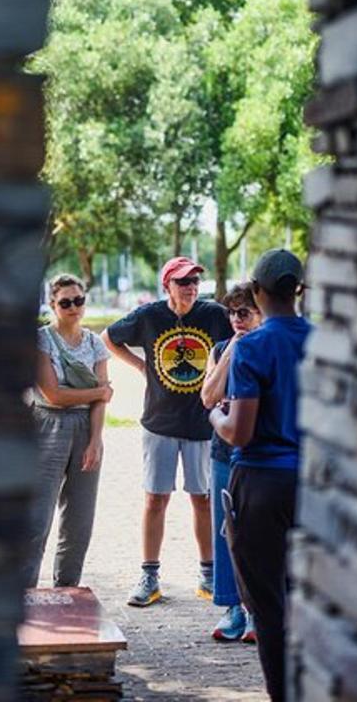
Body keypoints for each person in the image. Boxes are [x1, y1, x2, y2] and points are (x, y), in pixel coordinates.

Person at [103, 256, 234, 606]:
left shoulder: (214, 315)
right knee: (155, 499)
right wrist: (142, 366)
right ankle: (149, 575)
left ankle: (208, 573)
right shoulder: (149, 316)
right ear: (167, 286)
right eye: (182, 282)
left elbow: (242, 338)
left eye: (194, 281)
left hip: (201, 423)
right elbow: (108, 337)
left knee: (203, 499)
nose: (190, 287)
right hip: (159, 422)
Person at [210, 249, 311, 702]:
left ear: (257, 292)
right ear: (299, 291)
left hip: (262, 485)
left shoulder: (252, 347)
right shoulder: (328, 341)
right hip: (317, 485)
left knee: (269, 609)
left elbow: (240, 432)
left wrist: (215, 414)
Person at [24, 274, 114, 589]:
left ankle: (68, 591)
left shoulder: (94, 343)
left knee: (79, 522)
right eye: (65, 302)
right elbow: (53, 395)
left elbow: (103, 401)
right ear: (53, 305)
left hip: (86, 427)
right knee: (37, 517)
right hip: (46, 424)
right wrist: (98, 393)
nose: (73, 307)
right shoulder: (41, 340)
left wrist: (96, 440)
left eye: (79, 300)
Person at [199, 281, 262, 643]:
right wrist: (231, 350)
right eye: (232, 312)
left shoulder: (266, 347)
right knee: (224, 531)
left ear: (260, 313)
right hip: (223, 451)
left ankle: (255, 608)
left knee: (253, 531)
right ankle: (232, 607)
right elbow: (208, 395)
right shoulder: (222, 346)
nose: (236, 318)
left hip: (254, 453)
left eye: (244, 312)